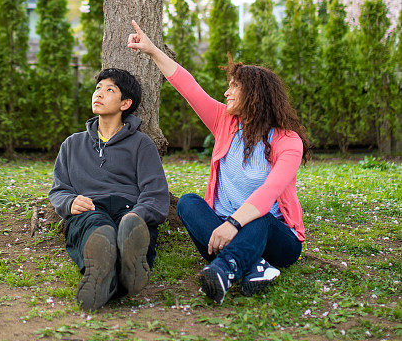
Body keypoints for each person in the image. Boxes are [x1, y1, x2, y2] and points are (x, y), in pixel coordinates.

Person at [127, 20, 310, 304]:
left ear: (254, 95)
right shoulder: (225, 121)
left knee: (258, 217)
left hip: (274, 237)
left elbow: (269, 192)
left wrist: (234, 224)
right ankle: (254, 267)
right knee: (188, 203)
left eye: (234, 87)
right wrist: (152, 51)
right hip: (222, 229)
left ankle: (225, 269)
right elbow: (188, 87)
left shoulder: (288, 141)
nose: (226, 93)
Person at [48, 67, 169, 311]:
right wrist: (70, 203)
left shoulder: (142, 144)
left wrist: (138, 215)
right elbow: (59, 189)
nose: (98, 94)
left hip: (129, 211)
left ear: (125, 103)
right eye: (97, 89)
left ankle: (122, 270)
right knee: (95, 227)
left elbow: (155, 194)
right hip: (91, 209)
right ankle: (106, 271)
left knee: (131, 227)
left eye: (109, 89)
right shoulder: (72, 145)